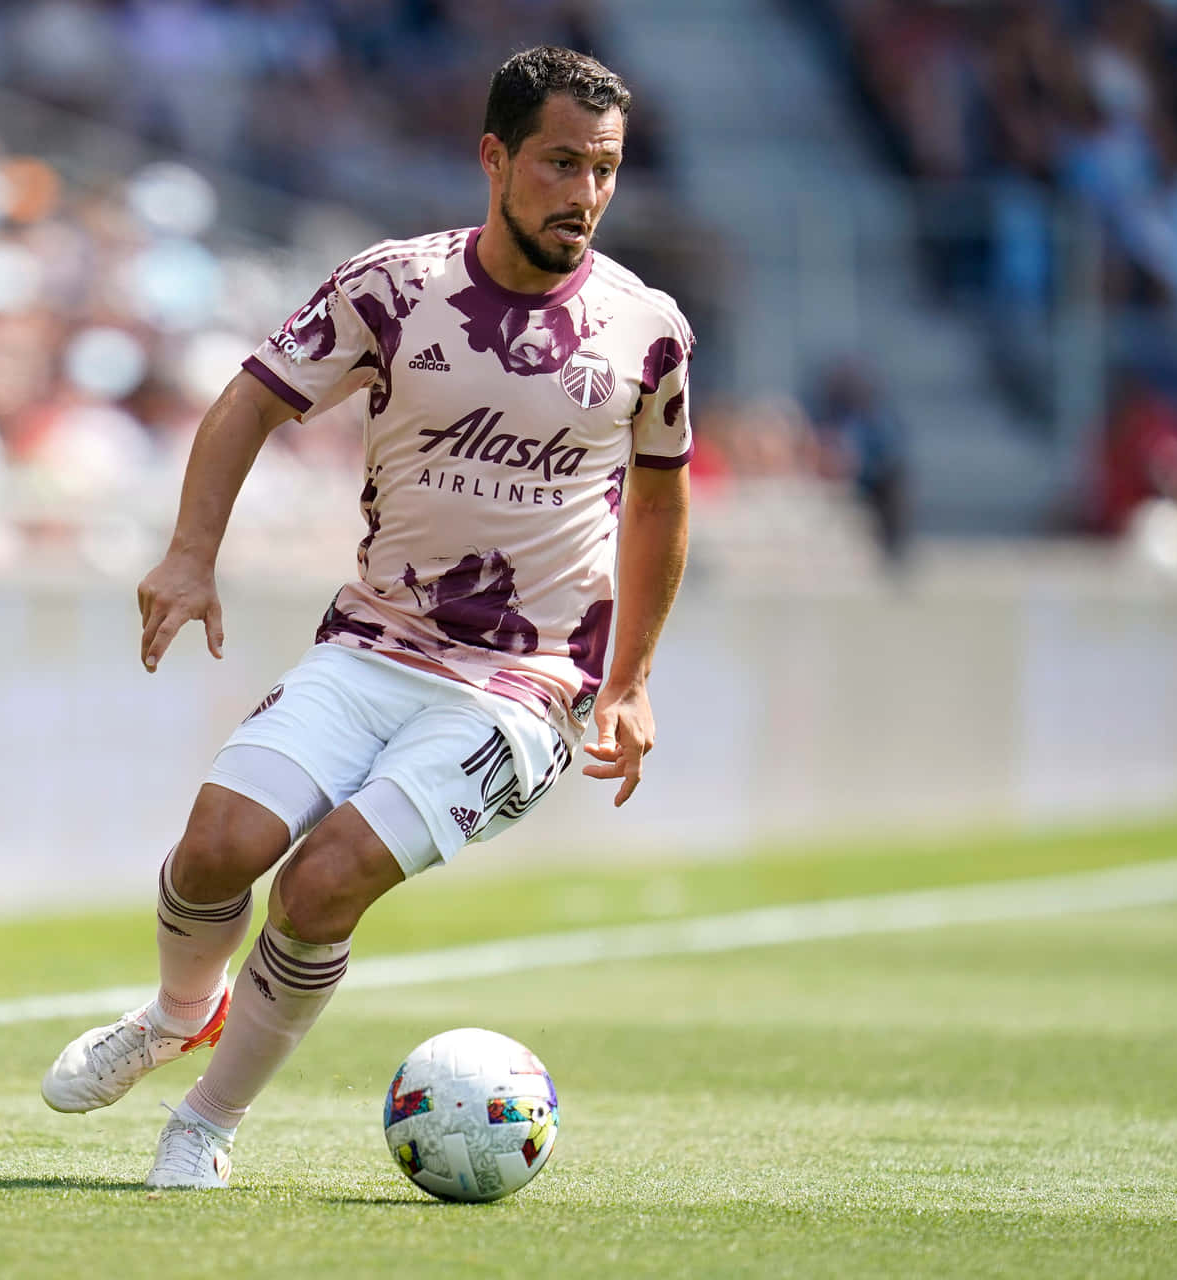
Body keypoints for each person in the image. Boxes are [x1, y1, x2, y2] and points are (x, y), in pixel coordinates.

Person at [38, 46, 694, 1189]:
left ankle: (205, 1121)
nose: (583, 194)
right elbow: (250, 399)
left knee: (321, 879)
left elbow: (660, 495)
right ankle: (180, 1011)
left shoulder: (646, 331)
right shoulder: (392, 288)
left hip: (526, 687)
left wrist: (630, 675)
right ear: (494, 158)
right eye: (558, 163)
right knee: (217, 849)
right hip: (373, 642)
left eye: (604, 170)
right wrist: (191, 553)